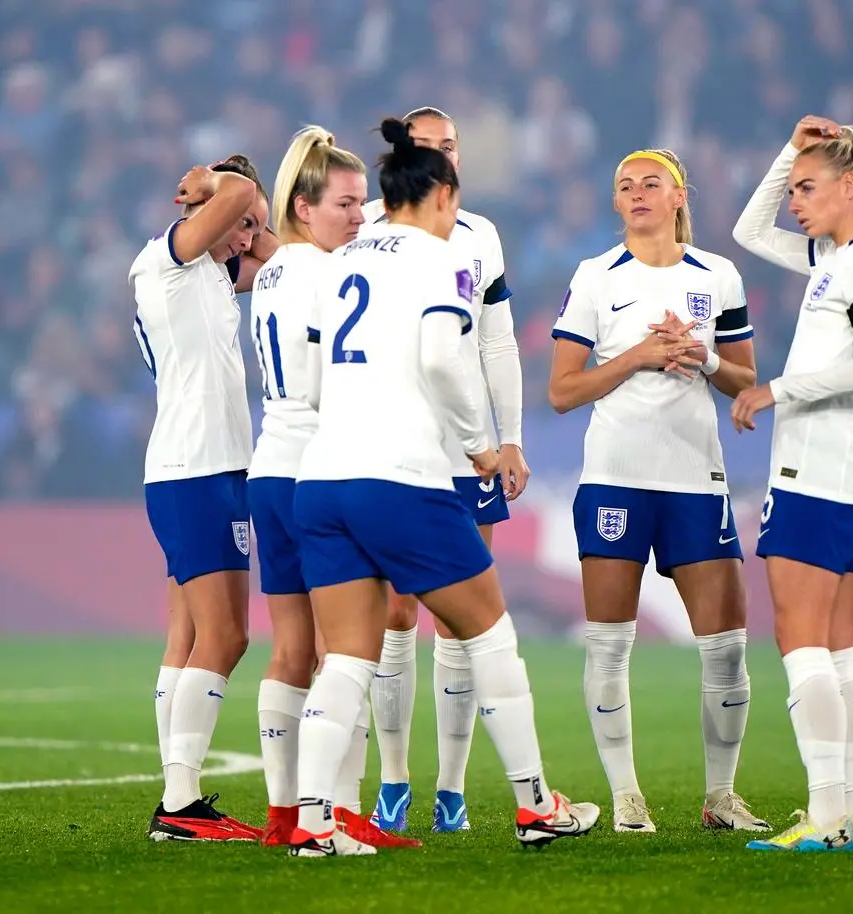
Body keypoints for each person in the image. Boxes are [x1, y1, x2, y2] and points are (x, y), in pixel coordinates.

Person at [289, 118, 599, 857]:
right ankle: (533, 805)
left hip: (321, 478)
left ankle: (312, 823)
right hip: (401, 478)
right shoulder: (442, 257)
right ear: (442, 195)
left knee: (349, 658)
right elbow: (443, 358)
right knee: (489, 633)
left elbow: (304, 382)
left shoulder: (333, 261)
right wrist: (479, 445)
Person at [548, 146, 770, 834]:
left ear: (679, 197)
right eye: (625, 185)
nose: (637, 192)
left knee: (726, 646)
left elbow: (746, 382)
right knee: (610, 645)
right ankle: (625, 798)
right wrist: (638, 356)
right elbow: (561, 391)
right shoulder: (594, 277)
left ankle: (721, 797)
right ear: (615, 203)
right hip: (615, 476)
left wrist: (699, 356)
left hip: (695, 479)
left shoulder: (718, 275)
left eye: (652, 183)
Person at [730, 117, 853, 852]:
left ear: (849, 187)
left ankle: (829, 813)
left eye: (807, 188)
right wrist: (788, 151)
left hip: (821, 468)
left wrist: (779, 389)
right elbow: (748, 230)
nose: (792, 201)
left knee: (800, 638)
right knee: (836, 643)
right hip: (840, 469)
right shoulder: (839, 258)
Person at [359, 107, 527, 835]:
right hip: (398, 440)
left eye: (452, 145)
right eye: (431, 146)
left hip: (468, 448)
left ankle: (451, 788)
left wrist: (509, 437)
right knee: (397, 611)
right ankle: (394, 779)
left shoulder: (479, 234)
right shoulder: (366, 226)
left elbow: (496, 344)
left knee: (462, 618)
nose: (444, 156)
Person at [247, 126, 413, 850]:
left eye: (361, 204)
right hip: (323, 471)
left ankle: (284, 815)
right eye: (345, 205)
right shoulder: (326, 275)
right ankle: (337, 813)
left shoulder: (277, 268)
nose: (359, 218)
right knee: (350, 651)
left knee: (292, 651)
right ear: (305, 206)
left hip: (269, 467)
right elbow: (342, 378)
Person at [130, 155, 272, 841]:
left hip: (199, 466)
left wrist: (252, 223)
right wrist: (215, 187)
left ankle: (177, 799)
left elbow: (290, 260)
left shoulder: (211, 272)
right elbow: (239, 195)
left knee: (188, 637)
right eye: (241, 227)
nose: (247, 239)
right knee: (228, 635)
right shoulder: (171, 259)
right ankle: (180, 804)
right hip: (198, 469)